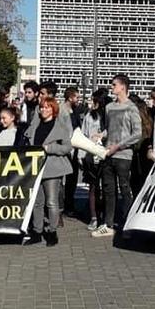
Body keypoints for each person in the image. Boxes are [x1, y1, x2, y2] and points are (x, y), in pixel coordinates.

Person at [92, 74, 142, 238]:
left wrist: (119, 146)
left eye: (114, 85)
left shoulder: (131, 108)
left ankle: (127, 224)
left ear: (123, 87)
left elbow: (137, 133)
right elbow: (108, 128)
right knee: (108, 189)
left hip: (123, 155)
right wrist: (100, 135)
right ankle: (108, 224)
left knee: (125, 189)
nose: (112, 87)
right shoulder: (109, 107)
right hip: (108, 153)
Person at [24, 97, 72, 246]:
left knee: (51, 201)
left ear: (53, 109)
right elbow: (27, 139)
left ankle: (52, 231)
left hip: (53, 167)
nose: (44, 110)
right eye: (42, 107)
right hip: (36, 166)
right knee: (37, 202)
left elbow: (67, 147)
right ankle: (37, 231)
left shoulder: (60, 125)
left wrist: (50, 148)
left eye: (47, 107)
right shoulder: (35, 124)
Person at [81, 88, 110, 231]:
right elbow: (83, 134)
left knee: (106, 186)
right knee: (93, 186)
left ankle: (105, 216)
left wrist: (102, 136)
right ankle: (94, 217)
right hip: (91, 154)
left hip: (106, 153)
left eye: (95, 101)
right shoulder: (89, 116)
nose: (93, 103)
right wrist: (81, 155)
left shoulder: (109, 116)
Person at [61, 87, 83, 218]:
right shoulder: (62, 110)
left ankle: (69, 204)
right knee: (62, 179)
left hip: (74, 148)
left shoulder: (74, 110)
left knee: (72, 178)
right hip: (65, 147)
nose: (78, 100)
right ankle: (63, 206)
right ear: (70, 97)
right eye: (76, 97)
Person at [129, 94, 154, 198]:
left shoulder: (135, 115)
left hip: (137, 153)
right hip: (146, 152)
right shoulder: (147, 114)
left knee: (136, 182)